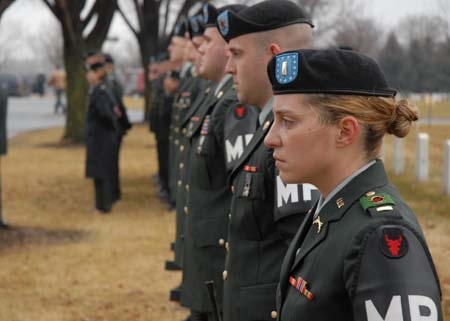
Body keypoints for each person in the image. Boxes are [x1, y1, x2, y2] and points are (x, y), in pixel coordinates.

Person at [264, 49, 443, 320]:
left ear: (345, 131)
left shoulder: (380, 235)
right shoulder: (333, 209)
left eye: (288, 121)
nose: (270, 138)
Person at [215, 1, 319, 320]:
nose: (228, 68)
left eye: (237, 54)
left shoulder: (297, 139)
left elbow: (306, 263)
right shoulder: (268, 127)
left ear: (274, 55)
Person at [178, 4, 246, 321]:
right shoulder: (218, 96)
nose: (199, 50)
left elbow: (241, 193)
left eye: (206, 42)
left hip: (220, 264)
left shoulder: (232, 104)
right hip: (206, 260)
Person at [85, 61, 119, 214]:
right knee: (99, 172)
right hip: (101, 136)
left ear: (98, 73)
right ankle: (100, 204)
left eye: (91, 72)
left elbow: (105, 113)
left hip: (102, 137)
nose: (88, 76)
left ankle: (104, 205)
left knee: (102, 171)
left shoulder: (100, 91)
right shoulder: (99, 89)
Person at [103, 52, 132, 202]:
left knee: (112, 161)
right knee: (110, 161)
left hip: (115, 126)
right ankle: (112, 190)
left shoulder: (112, 80)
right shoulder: (109, 80)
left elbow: (116, 99)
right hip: (113, 125)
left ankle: (114, 191)